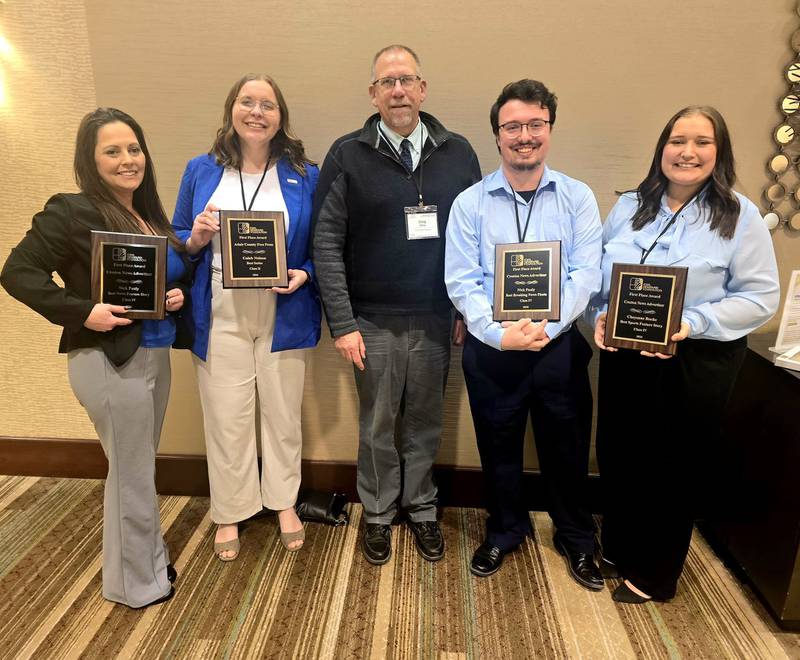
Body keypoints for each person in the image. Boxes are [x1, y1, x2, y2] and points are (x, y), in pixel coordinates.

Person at [1, 107, 191, 608]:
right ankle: (137, 585)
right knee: (132, 473)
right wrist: (83, 311)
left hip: (152, 355)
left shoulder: (145, 213)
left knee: (134, 468)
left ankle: (142, 561)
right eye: (112, 151)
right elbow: (17, 273)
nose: (127, 159)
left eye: (133, 148)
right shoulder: (69, 210)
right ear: (91, 160)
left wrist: (172, 294)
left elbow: (157, 279)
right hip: (108, 362)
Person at [591, 105, 779, 603]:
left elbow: (760, 298)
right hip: (625, 355)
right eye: (677, 140)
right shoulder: (631, 205)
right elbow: (598, 277)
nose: (687, 152)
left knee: (671, 467)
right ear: (662, 149)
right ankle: (619, 546)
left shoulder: (740, 216)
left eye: (702, 141)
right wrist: (599, 316)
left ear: (719, 152)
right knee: (619, 453)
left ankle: (654, 574)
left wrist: (692, 324)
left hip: (694, 362)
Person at [313, 45, 481, 565]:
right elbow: (325, 242)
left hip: (435, 318)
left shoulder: (459, 153)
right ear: (373, 94)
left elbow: (475, 238)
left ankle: (423, 508)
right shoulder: (347, 154)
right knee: (377, 424)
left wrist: (464, 311)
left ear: (423, 89)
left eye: (406, 80)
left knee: (426, 421)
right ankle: (380, 514)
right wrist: (341, 322)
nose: (398, 91)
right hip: (371, 321)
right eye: (387, 83)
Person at [445, 79, 604, 588]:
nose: (524, 136)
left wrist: (546, 328)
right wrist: (496, 335)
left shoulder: (577, 197)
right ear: (497, 136)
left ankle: (576, 537)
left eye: (535, 124)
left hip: (557, 349)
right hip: (493, 350)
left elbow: (586, 274)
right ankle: (505, 530)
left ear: (549, 130)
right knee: (498, 448)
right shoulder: (470, 203)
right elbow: (460, 279)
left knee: (567, 448)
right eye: (512, 126)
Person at [172, 74, 320, 560]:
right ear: (231, 110)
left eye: (268, 105)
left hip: (284, 307)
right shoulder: (201, 170)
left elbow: (327, 245)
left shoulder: (305, 174)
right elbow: (178, 241)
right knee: (226, 415)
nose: (257, 112)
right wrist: (194, 237)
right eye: (247, 102)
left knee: (282, 413)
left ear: (281, 117)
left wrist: (304, 274)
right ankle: (231, 509)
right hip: (220, 308)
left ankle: (283, 502)